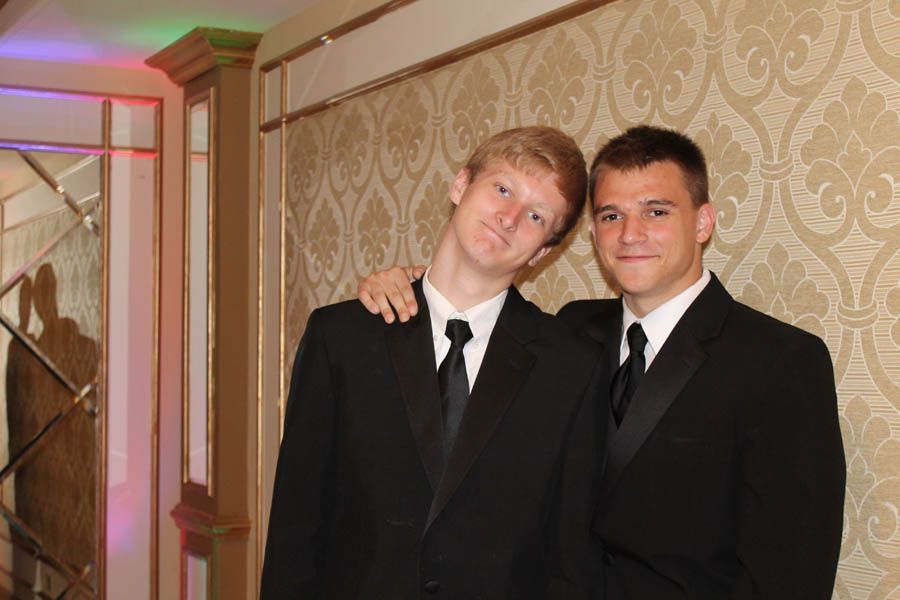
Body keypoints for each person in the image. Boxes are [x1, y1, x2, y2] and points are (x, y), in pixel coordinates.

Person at [357, 125, 847, 598]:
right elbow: (470, 312)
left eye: (656, 212)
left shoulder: (780, 362)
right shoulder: (567, 332)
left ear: (702, 222)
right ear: (592, 233)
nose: (631, 234)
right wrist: (405, 285)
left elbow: (789, 574)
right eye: (612, 216)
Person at [261, 127, 606, 598]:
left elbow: (571, 556)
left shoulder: (571, 367)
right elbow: (295, 528)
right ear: (461, 186)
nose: (508, 218)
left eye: (535, 215)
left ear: (545, 250)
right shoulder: (341, 337)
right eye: (502, 189)